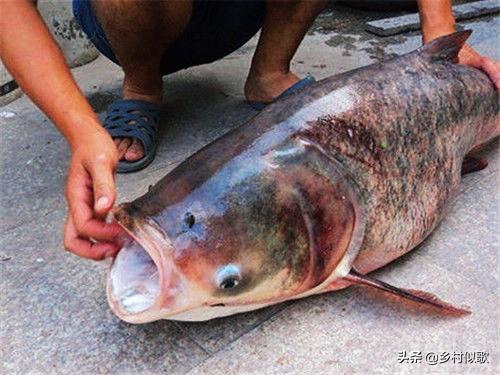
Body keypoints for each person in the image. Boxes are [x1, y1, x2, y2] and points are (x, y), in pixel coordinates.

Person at [1, 0, 498, 261]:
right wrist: (81, 129)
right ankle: (142, 87)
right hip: (133, 14)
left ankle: (270, 71)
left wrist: (439, 36)